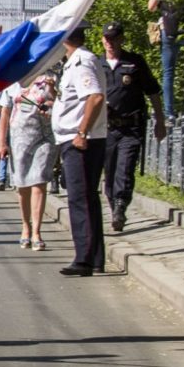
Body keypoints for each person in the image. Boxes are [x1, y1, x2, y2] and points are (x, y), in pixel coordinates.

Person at [100, 22, 166, 233]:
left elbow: (153, 91)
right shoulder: (96, 64)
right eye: (107, 39)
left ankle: (121, 206)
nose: (110, 43)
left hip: (131, 127)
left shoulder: (134, 63)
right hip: (106, 129)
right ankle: (114, 205)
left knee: (125, 168)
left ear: (122, 39)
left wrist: (160, 121)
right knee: (109, 172)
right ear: (102, 40)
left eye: (114, 38)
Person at [53, 26, 109, 277]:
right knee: (87, 198)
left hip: (81, 141)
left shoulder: (81, 62)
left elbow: (95, 97)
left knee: (80, 199)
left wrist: (82, 132)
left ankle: (85, 258)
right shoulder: (75, 62)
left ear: (66, 39)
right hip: (77, 138)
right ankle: (94, 257)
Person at [0, 68, 56, 250]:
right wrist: (1, 142)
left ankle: (37, 231)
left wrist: (52, 94)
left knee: (39, 182)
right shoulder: (13, 80)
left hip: (44, 136)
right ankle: (25, 227)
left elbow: (59, 103)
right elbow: (4, 112)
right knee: (22, 185)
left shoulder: (49, 78)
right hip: (19, 138)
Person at [148, 0, 179, 119]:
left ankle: (169, 113)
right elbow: (151, 6)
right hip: (175, 31)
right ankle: (169, 112)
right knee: (168, 73)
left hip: (170, 32)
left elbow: (151, 7)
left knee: (168, 73)